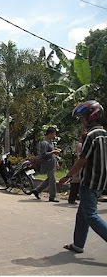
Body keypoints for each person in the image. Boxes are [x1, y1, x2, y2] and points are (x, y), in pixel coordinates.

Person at [63, 100, 107, 253]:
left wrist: (67, 175)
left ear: (90, 117)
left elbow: (82, 160)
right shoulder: (104, 134)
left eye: (83, 118)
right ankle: (78, 245)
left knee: (91, 216)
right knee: (82, 214)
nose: (82, 121)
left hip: (89, 182)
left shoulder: (91, 135)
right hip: (101, 182)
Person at [31, 127, 61, 202]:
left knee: (49, 180)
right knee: (52, 180)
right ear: (50, 134)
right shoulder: (44, 143)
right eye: (54, 134)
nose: (54, 136)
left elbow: (53, 154)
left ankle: (37, 190)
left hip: (52, 163)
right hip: (48, 164)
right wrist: (53, 152)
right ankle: (52, 196)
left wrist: (56, 162)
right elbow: (43, 154)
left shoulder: (51, 142)